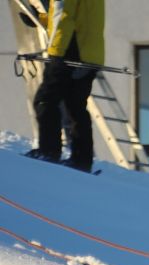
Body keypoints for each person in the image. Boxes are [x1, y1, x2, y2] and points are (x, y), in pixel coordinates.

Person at [28, 0, 107, 172]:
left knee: (45, 100)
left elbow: (63, 17)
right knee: (76, 106)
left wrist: (56, 53)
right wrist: (42, 19)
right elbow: (74, 17)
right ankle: (82, 160)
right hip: (90, 54)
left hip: (69, 50)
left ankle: (48, 151)